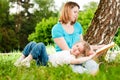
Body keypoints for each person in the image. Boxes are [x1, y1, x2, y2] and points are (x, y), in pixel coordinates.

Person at [51, 1, 104, 75]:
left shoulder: (77, 26)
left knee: (90, 63)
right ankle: (88, 74)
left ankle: (95, 70)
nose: (77, 15)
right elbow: (67, 50)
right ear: (67, 11)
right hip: (66, 57)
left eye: (78, 12)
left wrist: (97, 47)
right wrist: (82, 57)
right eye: (75, 12)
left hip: (79, 54)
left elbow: (82, 44)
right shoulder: (56, 29)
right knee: (76, 67)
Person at [14, 41, 97, 74]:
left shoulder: (72, 58)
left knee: (41, 45)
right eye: (77, 46)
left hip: (46, 62)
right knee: (33, 43)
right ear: (74, 44)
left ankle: (27, 60)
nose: (76, 49)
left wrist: (89, 57)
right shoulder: (68, 51)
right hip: (47, 57)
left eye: (79, 50)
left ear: (80, 54)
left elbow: (78, 62)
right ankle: (21, 59)